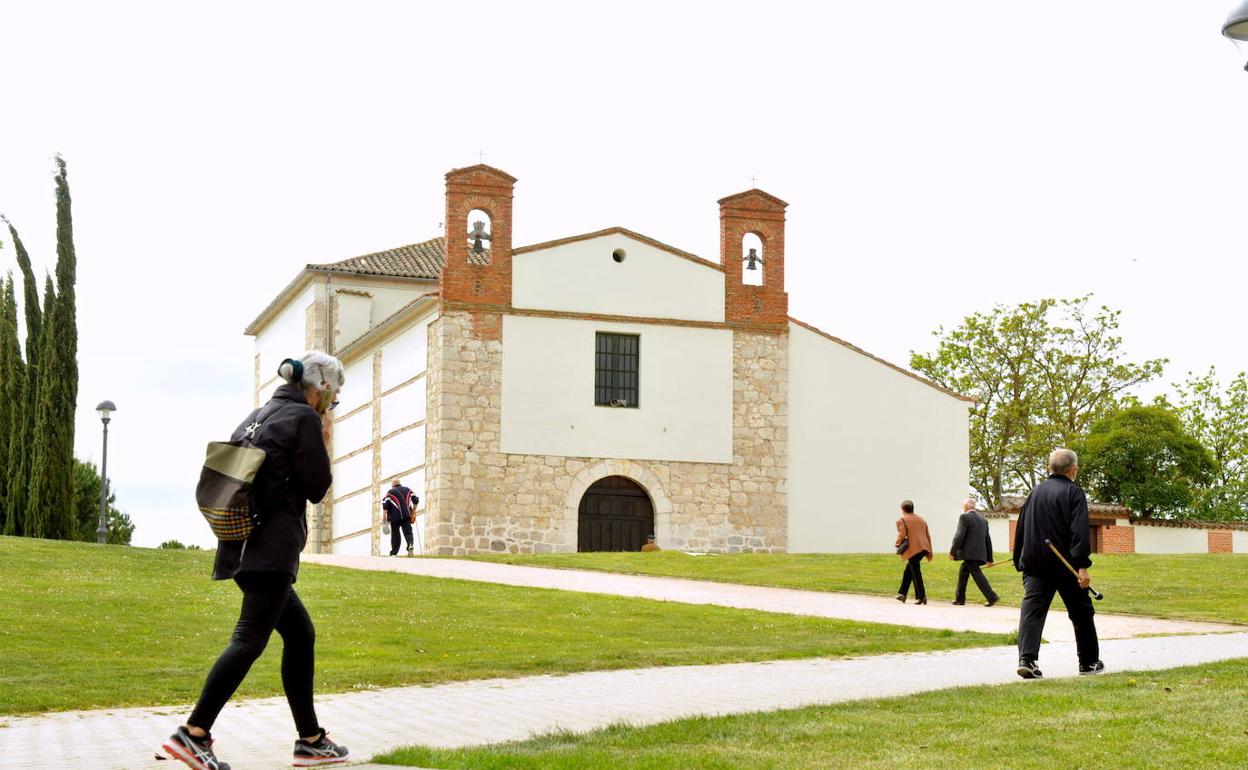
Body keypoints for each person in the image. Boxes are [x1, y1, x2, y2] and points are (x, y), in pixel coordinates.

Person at [163, 352, 350, 770]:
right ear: (321, 390)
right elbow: (318, 486)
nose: (329, 406)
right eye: (332, 399)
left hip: (240, 545)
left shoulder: (260, 414)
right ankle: (193, 733)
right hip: (271, 549)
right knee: (248, 639)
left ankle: (310, 739)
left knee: (300, 634)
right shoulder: (303, 419)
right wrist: (323, 432)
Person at [1013, 447, 1104, 679]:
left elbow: (1021, 528)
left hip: (1034, 563)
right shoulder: (1074, 492)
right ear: (1074, 470)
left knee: (1032, 611)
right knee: (1082, 611)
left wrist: (1019, 559)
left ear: (1049, 468)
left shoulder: (1034, 492)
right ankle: (1089, 661)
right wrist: (1082, 566)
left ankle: (1027, 659)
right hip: (1066, 565)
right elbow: (1080, 532)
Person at [949, 498, 1000, 607]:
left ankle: (992, 596)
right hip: (979, 554)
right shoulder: (983, 520)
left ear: (966, 507)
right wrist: (990, 559)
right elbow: (988, 541)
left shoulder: (964, 517)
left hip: (969, 553)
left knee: (977, 574)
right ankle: (960, 598)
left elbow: (959, 535)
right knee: (964, 571)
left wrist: (953, 551)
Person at [894, 500, 933, 605]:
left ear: (902, 510)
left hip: (913, 549)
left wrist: (897, 544)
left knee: (915, 572)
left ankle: (922, 596)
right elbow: (927, 535)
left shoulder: (902, 520)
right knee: (909, 570)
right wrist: (929, 550)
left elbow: (902, 534)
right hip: (924, 548)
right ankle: (902, 594)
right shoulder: (922, 520)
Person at [383, 478, 419, 556]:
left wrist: (384, 517)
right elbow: (416, 500)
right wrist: (413, 512)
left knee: (395, 534)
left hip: (394, 517)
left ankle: (394, 552)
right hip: (406, 515)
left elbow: (385, 505)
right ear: (399, 483)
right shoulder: (408, 490)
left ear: (392, 484)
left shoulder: (390, 492)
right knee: (408, 532)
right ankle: (410, 545)